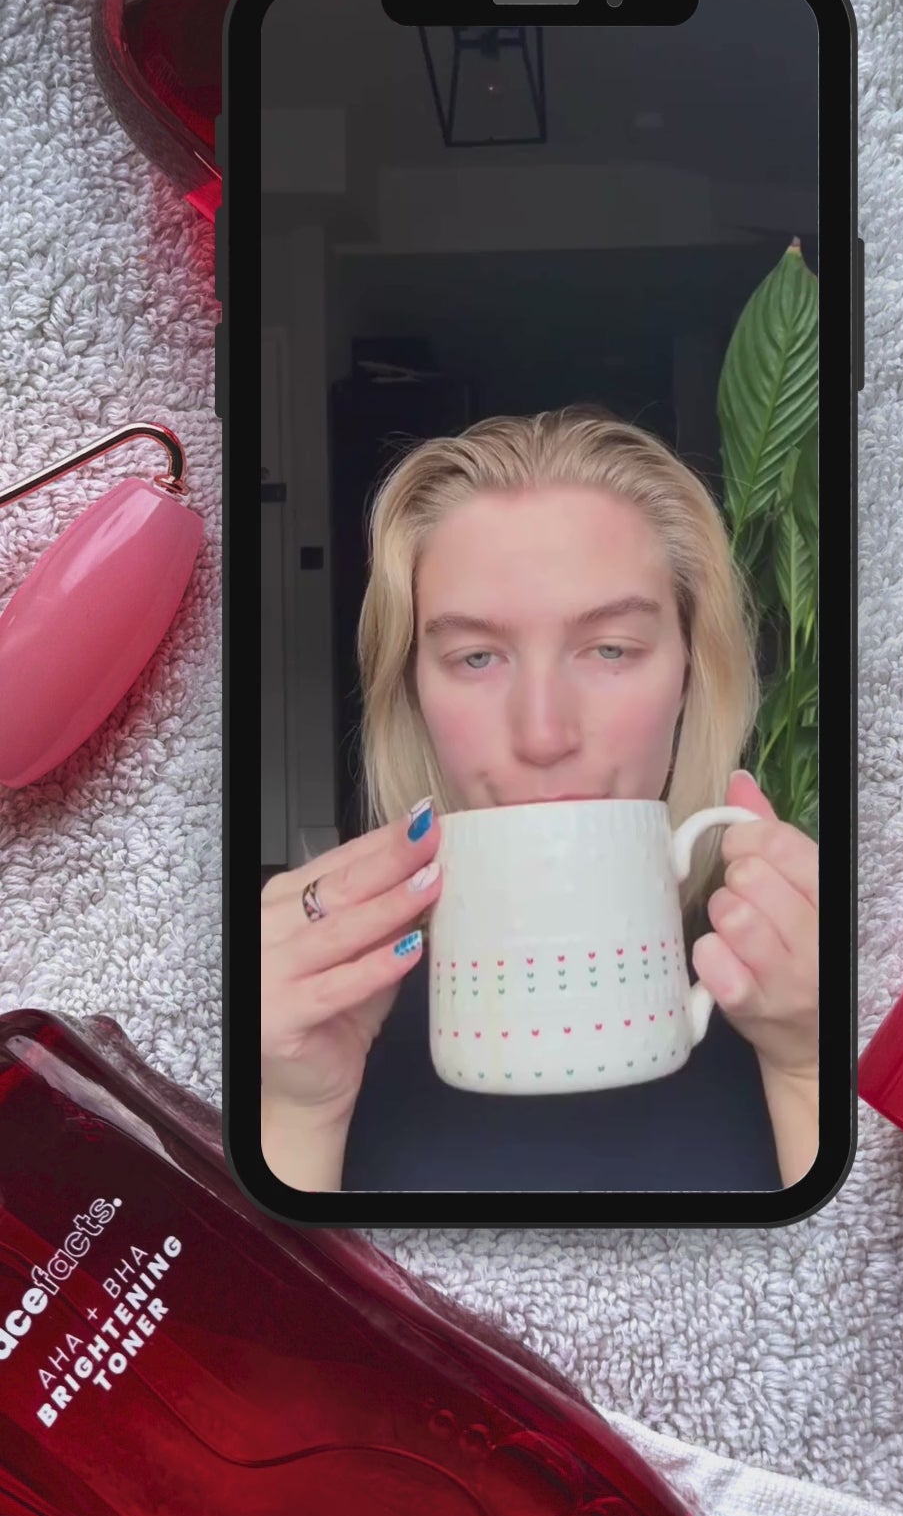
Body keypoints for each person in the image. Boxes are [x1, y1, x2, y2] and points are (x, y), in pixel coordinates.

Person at [261, 406, 819, 1194]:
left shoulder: (797, 993)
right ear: (414, 694)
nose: (544, 734)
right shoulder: (320, 1017)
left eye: (611, 649)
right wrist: (296, 1111)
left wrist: (807, 1066)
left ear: (691, 676)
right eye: (476, 657)